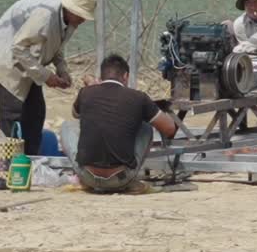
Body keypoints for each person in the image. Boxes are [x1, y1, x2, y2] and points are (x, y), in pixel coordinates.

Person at [0, 0, 97, 155]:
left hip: (29, 61)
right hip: (6, 56)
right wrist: (46, 76)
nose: (83, 20)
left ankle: (31, 158)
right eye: (81, 15)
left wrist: (62, 70)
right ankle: (9, 164)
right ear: (71, 9)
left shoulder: (69, 20)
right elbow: (18, 47)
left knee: (35, 111)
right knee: (13, 112)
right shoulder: (45, 15)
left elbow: (56, 46)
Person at [61, 53, 177, 194]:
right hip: (121, 179)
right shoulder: (138, 98)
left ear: (101, 76)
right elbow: (170, 129)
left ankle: (79, 179)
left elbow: (75, 114)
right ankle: (131, 180)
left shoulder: (85, 93)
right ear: (125, 76)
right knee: (146, 128)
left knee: (67, 126)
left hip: (88, 177)